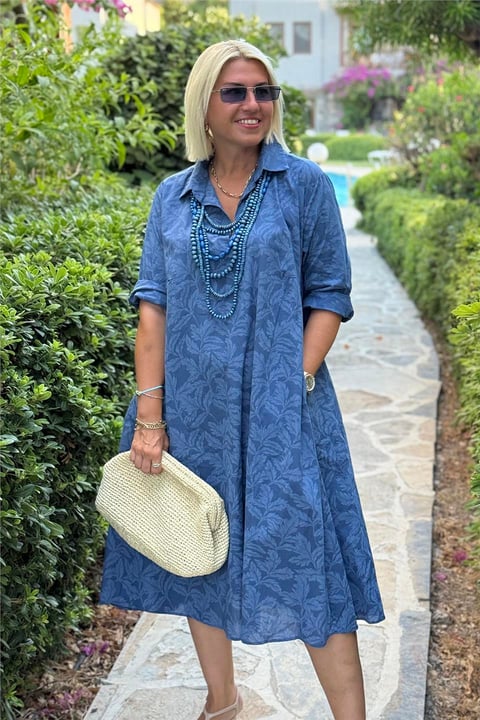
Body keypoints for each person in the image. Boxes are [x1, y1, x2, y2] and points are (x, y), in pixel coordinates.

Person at [100, 39, 384, 720]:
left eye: (264, 91)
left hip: (285, 411)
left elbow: (329, 294)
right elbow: (152, 312)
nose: (253, 104)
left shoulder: (303, 186)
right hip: (192, 415)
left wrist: (296, 380)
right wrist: (149, 419)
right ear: (205, 105)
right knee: (202, 553)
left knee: (311, 564)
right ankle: (222, 703)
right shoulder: (172, 198)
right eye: (235, 92)